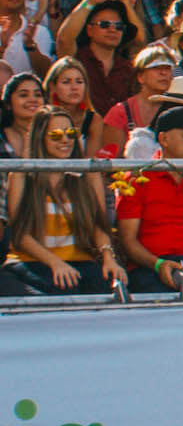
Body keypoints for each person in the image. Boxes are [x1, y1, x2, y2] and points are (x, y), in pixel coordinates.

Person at [3, 109, 124, 295]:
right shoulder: (21, 175)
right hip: (31, 261)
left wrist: (109, 257)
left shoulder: (88, 175)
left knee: (110, 287)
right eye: (55, 135)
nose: (65, 140)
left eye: (71, 134)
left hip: (80, 261)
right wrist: (55, 263)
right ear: (40, 137)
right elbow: (21, 236)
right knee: (62, 288)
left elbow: (98, 226)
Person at [116, 104, 183, 293]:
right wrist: (158, 264)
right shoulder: (136, 179)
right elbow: (128, 241)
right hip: (149, 267)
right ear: (163, 139)